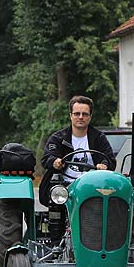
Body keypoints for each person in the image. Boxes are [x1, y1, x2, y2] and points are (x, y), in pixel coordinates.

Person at [39, 96, 116, 242]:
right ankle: (56, 244)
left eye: (85, 114)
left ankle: (100, 240)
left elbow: (109, 159)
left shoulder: (98, 138)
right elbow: (47, 158)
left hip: (91, 186)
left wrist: (104, 165)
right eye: (77, 114)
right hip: (65, 186)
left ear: (90, 117)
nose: (80, 117)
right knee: (56, 205)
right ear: (71, 116)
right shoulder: (58, 138)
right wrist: (55, 162)